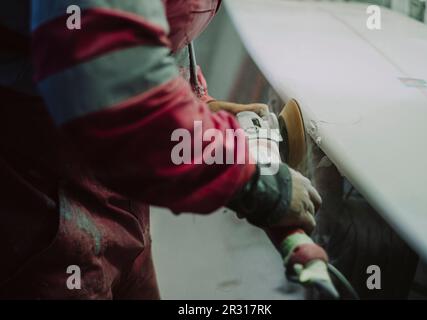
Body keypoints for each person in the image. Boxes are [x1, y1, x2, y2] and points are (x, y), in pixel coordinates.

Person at [0, 0, 321, 299]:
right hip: (37, 200)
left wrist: (197, 112)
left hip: (115, 196)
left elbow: (141, 44)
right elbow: (113, 93)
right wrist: (252, 182)